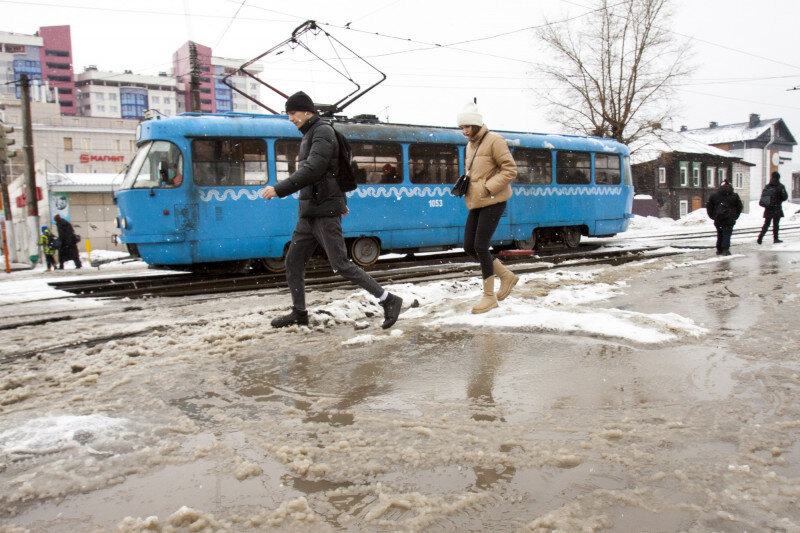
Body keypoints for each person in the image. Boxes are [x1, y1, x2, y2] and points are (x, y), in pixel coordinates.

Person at [260, 91, 403, 329]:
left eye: (292, 113)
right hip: (310, 212)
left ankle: (388, 300)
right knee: (294, 261)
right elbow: (331, 172)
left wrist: (279, 189)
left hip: (324, 211)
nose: (290, 119)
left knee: (340, 264)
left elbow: (316, 169)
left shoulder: (322, 132)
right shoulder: (310, 134)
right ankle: (299, 312)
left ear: (307, 111)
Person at [457, 102, 519, 313]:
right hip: (477, 201)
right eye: (461, 127)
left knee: (481, 246)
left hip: (493, 200)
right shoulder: (469, 145)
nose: (464, 131)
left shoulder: (495, 140)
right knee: (469, 246)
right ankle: (506, 276)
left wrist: (487, 187)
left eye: (467, 126)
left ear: (475, 124)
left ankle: (489, 297)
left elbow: (510, 170)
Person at [706, 179, 743, 256]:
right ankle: (725, 249)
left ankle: (719, 249)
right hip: (729, 218)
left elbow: (709, 207)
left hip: (718, 218)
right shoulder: (734, 196)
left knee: (720, 234)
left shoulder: (714, 196)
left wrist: (713, 216)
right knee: (727, 234)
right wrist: (735, 216)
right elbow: (740, 207)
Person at [757, 171, 789, 244]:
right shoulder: (780, 186)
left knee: (766, 223)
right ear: (778, 178)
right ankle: (775, 238)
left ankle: (760, 236)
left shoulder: (767, 186)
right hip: (777, 208)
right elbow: (785, 197)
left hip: (768, 209)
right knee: (776, 224)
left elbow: (764, 197)